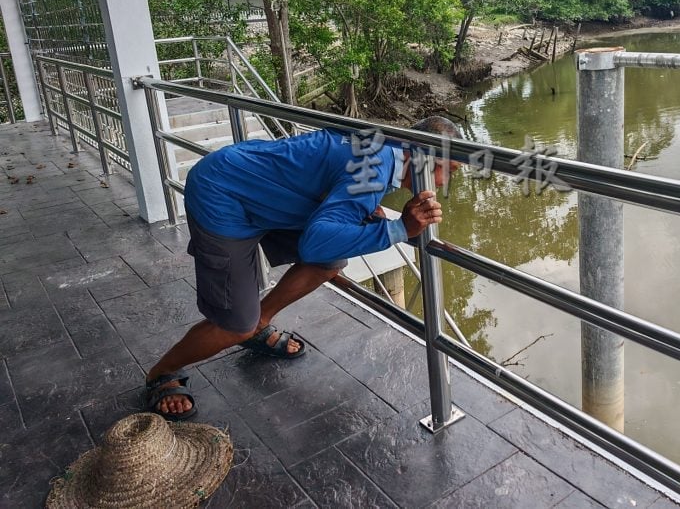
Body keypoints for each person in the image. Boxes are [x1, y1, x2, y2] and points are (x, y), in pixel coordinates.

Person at [145, 116, 460, 420]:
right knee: (235, 324)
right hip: (222, 194)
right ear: (424, 158)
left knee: (329, 261)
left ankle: (260, 322)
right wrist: (400, 229)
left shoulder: (383, 144)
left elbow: (336, 178)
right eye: (451, 170)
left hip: (257, 184)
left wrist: (379, 217)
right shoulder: (376, 167)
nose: (449, 182)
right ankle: (164, 371)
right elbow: (315, 243)